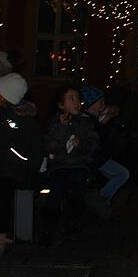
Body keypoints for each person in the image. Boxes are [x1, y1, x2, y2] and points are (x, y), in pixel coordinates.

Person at [0, 72, 43, 256]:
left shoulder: (22, 119)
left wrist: (31, 167)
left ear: (4, 96)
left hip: (12, 168)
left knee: (2, 199)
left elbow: (36, 144)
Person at [41, 85, 99, 246]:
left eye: (78, 99)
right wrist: (61, 129)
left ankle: (71, 225)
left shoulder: (86, 123)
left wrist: (80, 144)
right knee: (56, 191)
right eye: (71, 99)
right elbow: (50, 145)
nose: (76, 102)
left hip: (80, 165)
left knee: (77, 189)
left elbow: (94, 146)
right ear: (61, 104)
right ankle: (48, 229)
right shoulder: (54, 122)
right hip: (59, 166)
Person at [80, 85, 130, 219]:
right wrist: (104, 123)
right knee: (122, 174)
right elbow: (97, 139)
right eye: (100, 102)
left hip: (99, 158)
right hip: (94, 159)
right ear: (91, 104)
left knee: (122, 173)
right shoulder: (87, 120)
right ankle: (100, 199)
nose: (103, 105)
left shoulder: (94, 119)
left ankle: (101, 200)